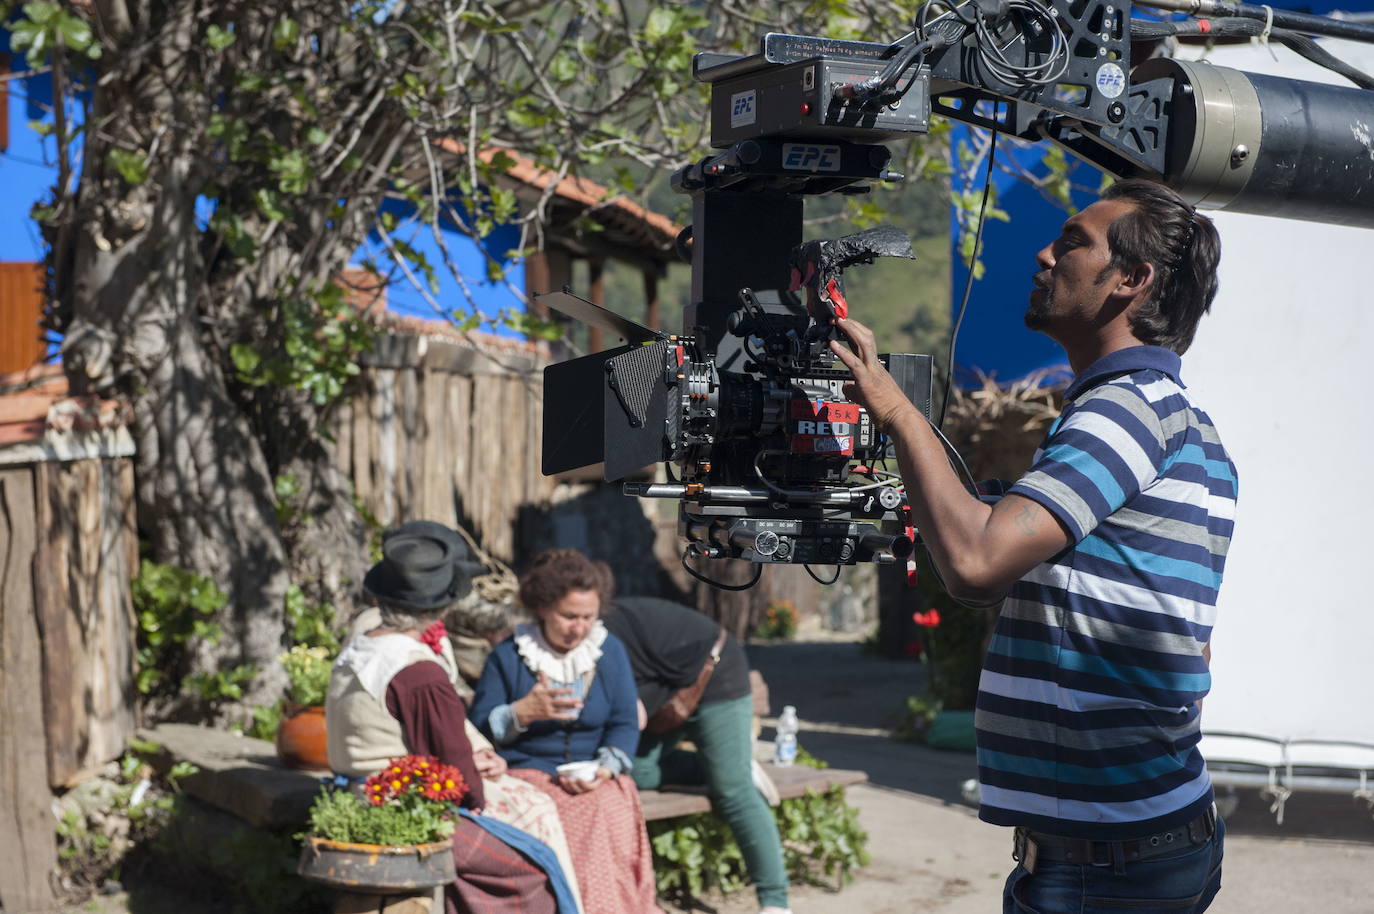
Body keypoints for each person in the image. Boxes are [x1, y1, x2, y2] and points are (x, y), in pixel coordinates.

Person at [829, 180, 1234, 913]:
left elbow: (979, 565)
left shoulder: (1124, 411)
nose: (1046, 254)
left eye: (1074, 242)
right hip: (1139, 842)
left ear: (1132, 282)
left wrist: (893, 410)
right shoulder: (1182, 423)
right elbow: (1185, 638)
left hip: (1104, 864)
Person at [327, 521, 581, 914]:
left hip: (357, 796)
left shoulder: (364, 647)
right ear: (443, 606)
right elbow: (455, 773)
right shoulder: (418, 673)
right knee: (532, 868)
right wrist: (477, 791)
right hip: (404, 810)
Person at [471, 548, 663, 914]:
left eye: (588, 617)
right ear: (542, 608)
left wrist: (606, 767)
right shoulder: (509, 656)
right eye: (568, 616)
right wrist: (521, 713)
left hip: (597, 772)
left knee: (607, 803)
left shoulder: (609, 652)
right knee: (578, 812)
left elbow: (624, 722)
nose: (579, 627)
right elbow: (480, 727)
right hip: (527, 771)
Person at [601, 594, 792, 914]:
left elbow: (628, 714)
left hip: (717, 670)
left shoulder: (600, 635)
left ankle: (775, 901)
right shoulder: (579, 633)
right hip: (672, 687)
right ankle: (728, 764)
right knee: (636, 770)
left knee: (732, 790)